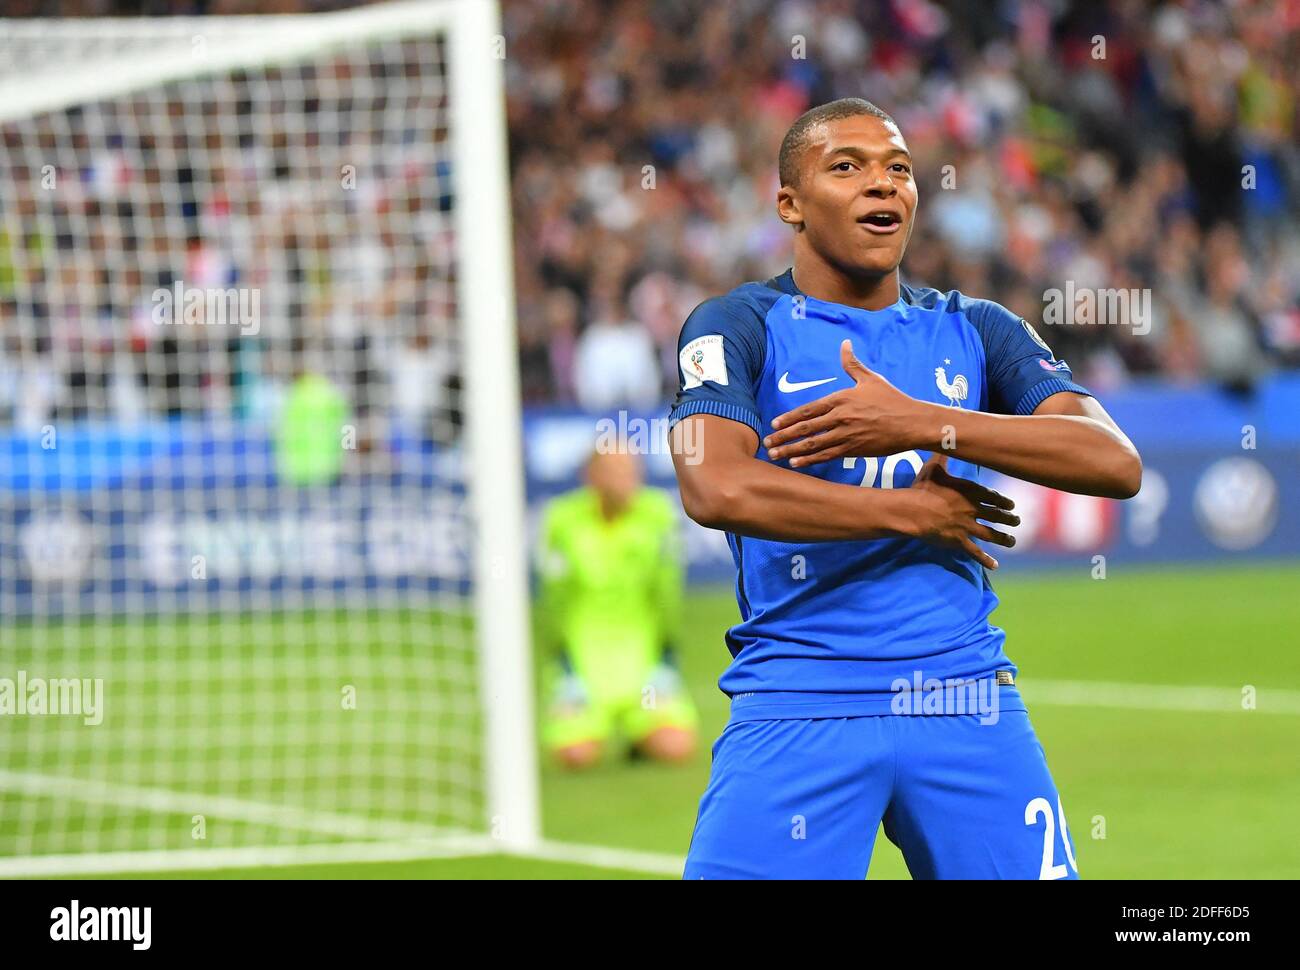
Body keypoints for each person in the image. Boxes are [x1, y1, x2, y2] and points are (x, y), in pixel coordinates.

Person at [668, 98, 1142, 879]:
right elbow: (714, 483)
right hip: (799, 699)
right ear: (789, 202)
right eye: (847, 167)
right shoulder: (736, 325)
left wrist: (925, 422)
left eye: (899, 170)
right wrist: (906, 512)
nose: (882, 186)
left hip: (965, 697)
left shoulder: (978, 327)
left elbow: (1112, 461)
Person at [536, 448, 697, 769]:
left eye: (631, 470)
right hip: (583, 663)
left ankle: (640, 733)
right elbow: (553, 600)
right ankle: (590, 720)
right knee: (576, 756)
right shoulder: (562, 519)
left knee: (676, 748)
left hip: (643, 660)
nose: (626, 480)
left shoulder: (657, 514)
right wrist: (563, 662)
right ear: (591, 476)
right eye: (615, 470)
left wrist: (666, 654)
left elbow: (667, 593)